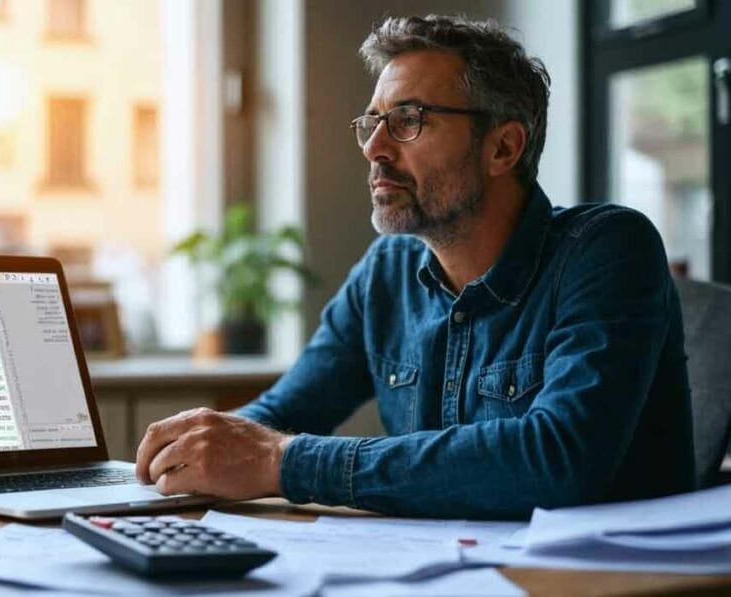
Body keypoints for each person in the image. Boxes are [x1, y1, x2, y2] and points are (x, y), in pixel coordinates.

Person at [134, 14, 695, 519]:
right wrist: (197, 452)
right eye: (372, 122)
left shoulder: (608, 250)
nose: (374, 147)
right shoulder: (389, 270)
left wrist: (283, 461)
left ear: (503, 148)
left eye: (408, 120)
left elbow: (558, 457)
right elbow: (283, 413)